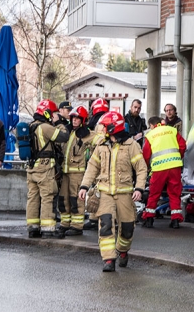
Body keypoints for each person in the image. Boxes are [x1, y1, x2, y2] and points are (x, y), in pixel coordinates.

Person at [78, 111, 147, 272]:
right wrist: (84, 186)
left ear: (113, 127)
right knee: (106, 225)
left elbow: (142, 169)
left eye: (104, 126)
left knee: (128, 227)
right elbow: (92, 167)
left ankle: (122, 251)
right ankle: (108, 259)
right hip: (105, 193)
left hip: (125, 193)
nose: (102, 130)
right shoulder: (101, 145)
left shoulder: (132, 145)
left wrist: (139, 188)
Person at [26, 99, 69, 239]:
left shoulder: (31, 125)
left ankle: (33, 228)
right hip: (44, 168)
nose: (53, 115)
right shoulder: (45, 127)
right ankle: (48, 229)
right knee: (47, 197)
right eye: (52, 113)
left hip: (32, 168)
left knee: (33, 198)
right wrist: (58, 122)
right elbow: (64, 137)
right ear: (47, 113)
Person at [58, 106, 99, 236]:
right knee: (63, 199)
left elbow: (100, 140)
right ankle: (65, 224)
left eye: (78, 119)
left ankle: (76, 226)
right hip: (64, 172)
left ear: (83, 120)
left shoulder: (87, 134)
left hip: (77, 173)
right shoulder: (67, 131)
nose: (75, 121)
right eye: (73, 118)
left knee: (76, 199)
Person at [142, 116, 186, 229]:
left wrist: (147, 167)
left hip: (159, 168)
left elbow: (146, 154)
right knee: (174, 193)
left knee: (154, 193)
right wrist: (177, 157)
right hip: (175, 166)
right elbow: (182, 145)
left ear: (152, 125)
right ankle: (175, 219)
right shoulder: (172, 130)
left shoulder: (150, 135)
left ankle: (149, 219)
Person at [83, 98, 109, 230]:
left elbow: (98, 141)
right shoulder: (107, 119)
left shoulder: (99, 122)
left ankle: (94, 218)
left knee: (97, 188)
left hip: (99, 158)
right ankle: (96, 218)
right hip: (107, 159)